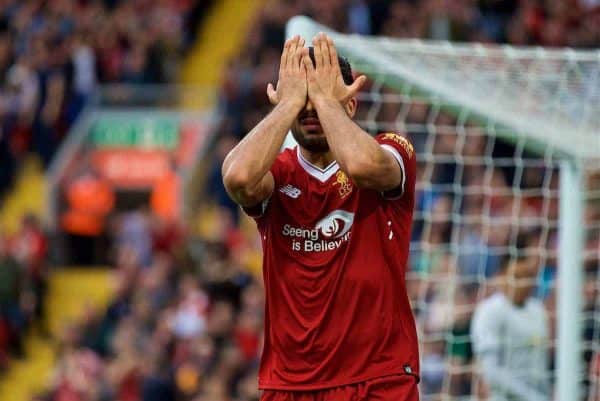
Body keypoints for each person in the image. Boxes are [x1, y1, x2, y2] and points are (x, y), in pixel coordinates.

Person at [222, 33, 419, 401]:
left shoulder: (391, 151)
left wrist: (325, 100)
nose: (310, 110)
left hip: (379, 377)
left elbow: (361, 166)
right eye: (303, 102)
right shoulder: (277, 174)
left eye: (321, 98)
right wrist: (287, 104)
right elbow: (237, 178)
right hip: (291, 384)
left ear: (351, 104)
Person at [470, 239, 550, 401]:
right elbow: (491, 371)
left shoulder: (538, 310)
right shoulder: (490, 311)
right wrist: (532, 397)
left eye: (527, 276)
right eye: (517, 277)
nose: (523, 284)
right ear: (502, 277)